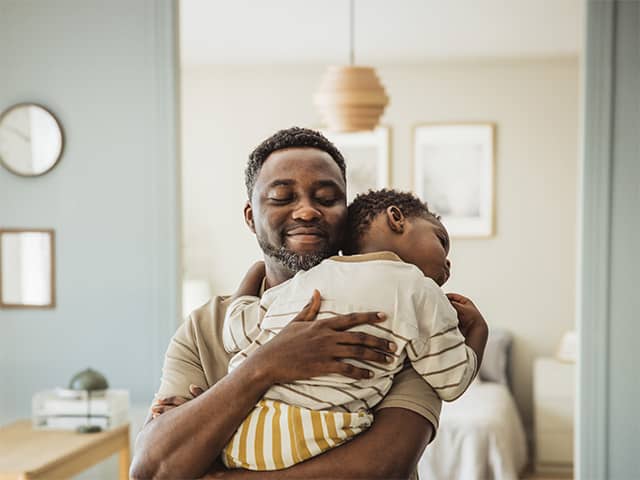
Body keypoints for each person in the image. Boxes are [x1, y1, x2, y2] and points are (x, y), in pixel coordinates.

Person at [130, 127, 488, 480]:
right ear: (251, 217)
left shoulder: (394, 311)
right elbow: (153, 468)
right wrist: (266, 365)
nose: (306, 212)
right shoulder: (205, 327)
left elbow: (383, 465)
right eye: (283, 197)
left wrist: (215, 458)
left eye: (327, 198)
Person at [221, 189, 488, 471]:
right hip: (317, 439)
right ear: (396, 218)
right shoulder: (420, 290)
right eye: (441, 241)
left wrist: (255, 272)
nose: (448, 263)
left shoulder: (304, 280)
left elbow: (234, 333)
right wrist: (478, 330)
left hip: (242, 434)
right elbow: (452, 381)